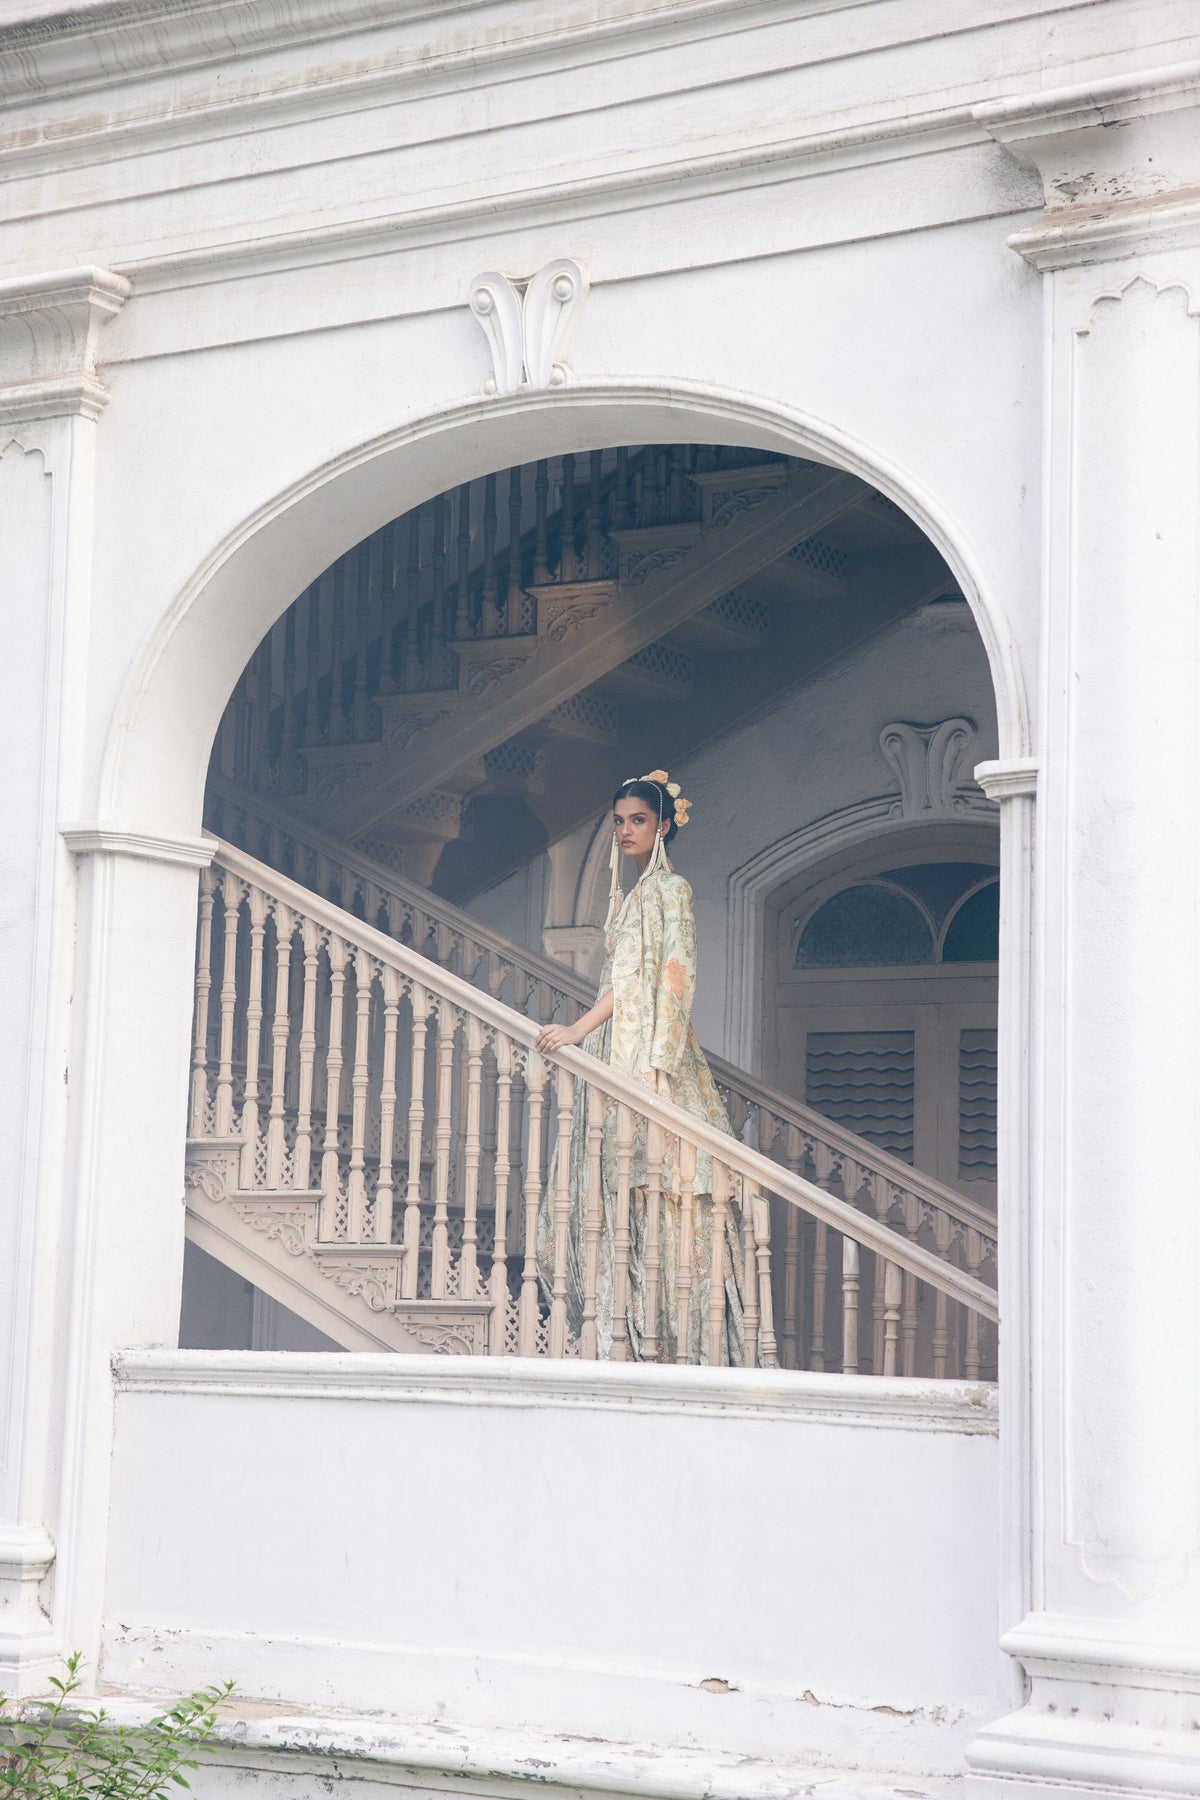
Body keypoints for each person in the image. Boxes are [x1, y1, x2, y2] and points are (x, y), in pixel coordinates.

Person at [535, 770, 745, 1363]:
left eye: (639, 820)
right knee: (614, 1190)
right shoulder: (631, 897)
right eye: (620, 821)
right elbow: (622, 981)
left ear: (663, 826)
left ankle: (667, 1337)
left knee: (660, 1190)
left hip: (648, 1051)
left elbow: (669, 981)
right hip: (619, 1047)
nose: (626, 831)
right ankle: (616, 1328)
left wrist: (642, 1058)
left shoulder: (669, 891)